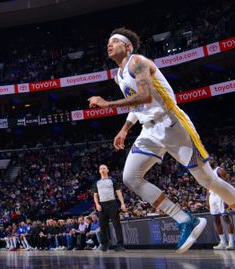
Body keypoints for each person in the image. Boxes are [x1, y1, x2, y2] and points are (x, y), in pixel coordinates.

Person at [89, 27, 235, 253]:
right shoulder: (118, 75)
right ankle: (185, 220)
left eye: (114, 41)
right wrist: (125, 129)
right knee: (130, 177)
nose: (110, 45)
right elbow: (137, 105)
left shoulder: (137, 61)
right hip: (149, 130)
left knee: (207, 181)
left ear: (127, 46)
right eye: (108, 42)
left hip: (172, 124)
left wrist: (107, 105)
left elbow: (145, 95)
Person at [93, 164, 126, 252]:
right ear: (99, 171)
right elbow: (95, 195)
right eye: (100, 168)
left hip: (112, 203)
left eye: (104, 168)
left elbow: (118, 192)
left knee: (116, 224)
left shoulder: (112, 180)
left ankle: (120, 245)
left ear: (107, 170)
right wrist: (97, 204)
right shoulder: (97, 182)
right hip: (102, 205)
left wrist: (122, 203)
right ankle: (105, 245)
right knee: (103, 226)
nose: (102, 169)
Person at [210, 166, 235, 250]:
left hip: (221, 195)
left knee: (226, 217)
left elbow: (227, 184)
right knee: (216, 219)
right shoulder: (206, 171)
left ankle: (232, 242)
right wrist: (207, 199)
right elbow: (207, 187)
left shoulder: (219, 170)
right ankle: (223, 242)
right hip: (212, 196)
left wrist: (226, 197)